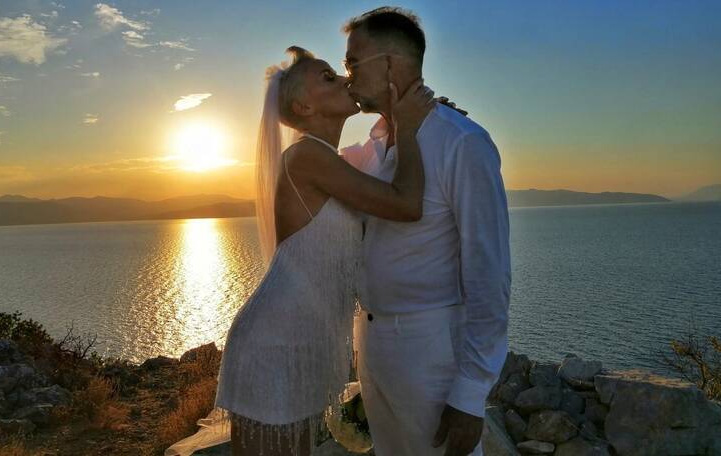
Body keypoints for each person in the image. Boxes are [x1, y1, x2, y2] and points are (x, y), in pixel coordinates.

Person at [166, 46, 435, 456]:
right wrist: (410, 125)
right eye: (328, 77)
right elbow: (406, 204)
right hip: (274, 344)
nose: (345, 79)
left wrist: (409, 124)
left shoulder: (331, 161)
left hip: (300, 342)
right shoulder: (306, 157)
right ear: (304, 106)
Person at [340, 7, 512, 456]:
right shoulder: (370, 148)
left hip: (430, 351)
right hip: (372, 346)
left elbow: (489, 271)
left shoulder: (462, 142)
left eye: (352, 63)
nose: (346, 77)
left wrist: (470, 393)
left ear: (390, 64)